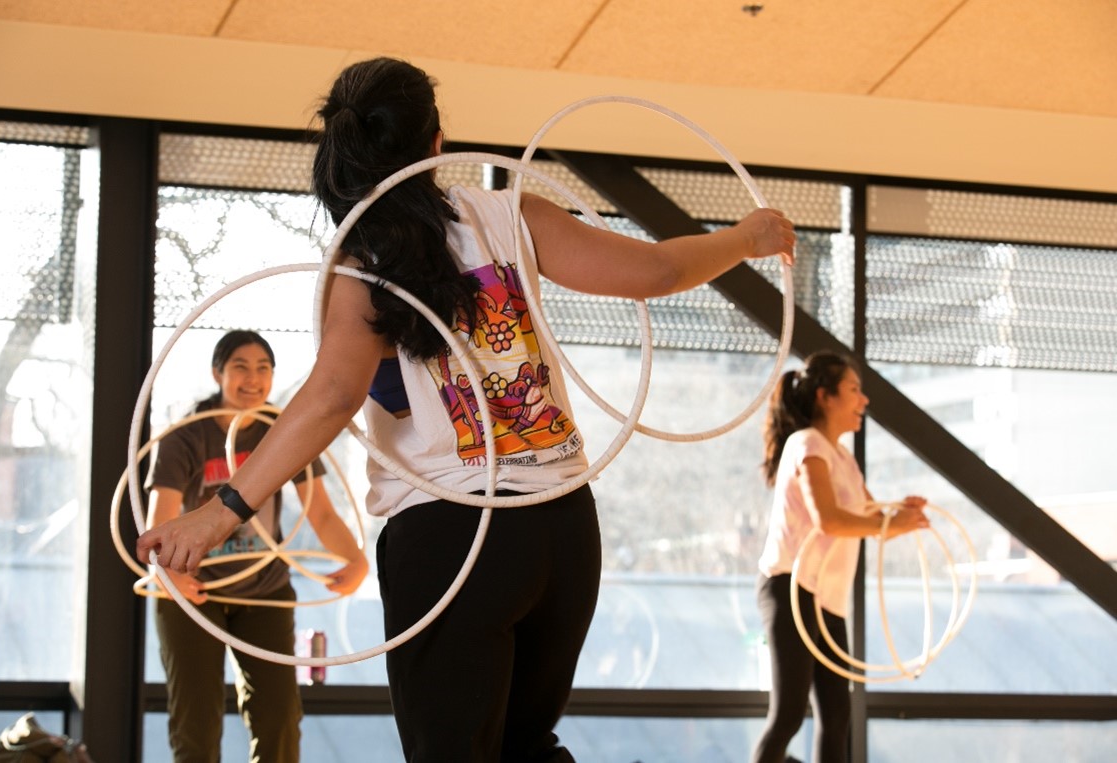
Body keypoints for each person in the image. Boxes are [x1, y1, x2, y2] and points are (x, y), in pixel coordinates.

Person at [137, 56, 796, 763]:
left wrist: (221, 508)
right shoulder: (510, 215)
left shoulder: (363, 262)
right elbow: (657, 270)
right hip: (562, 530)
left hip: (452, 533)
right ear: (438, 144)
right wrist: (750, 238)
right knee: (525, 746)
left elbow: (332, 395)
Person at [145, 329, 367, 763]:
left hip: (263, 590)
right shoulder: (186, 437)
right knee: (196, 726)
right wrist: (171, 575)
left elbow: (319, 512)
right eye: (240, 368)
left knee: (280, 719)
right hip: (195, 591)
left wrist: (356, 559)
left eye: (263, 369)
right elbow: (162, 517)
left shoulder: (283, 432)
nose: (253, 379)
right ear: (217, 373)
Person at [752, 351, 930, 763]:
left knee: (836, 716)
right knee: (789, 716)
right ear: (825, 397)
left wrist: (902, 515)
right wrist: (891, 523)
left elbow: (871, 518)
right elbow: (830, 520)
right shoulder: (807, 444)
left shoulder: (844, 459)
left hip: (826, 598)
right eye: (854, 390)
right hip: (790, 587)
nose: (863, 401)